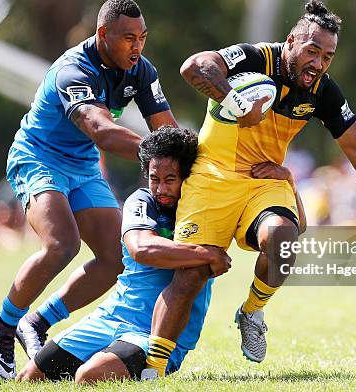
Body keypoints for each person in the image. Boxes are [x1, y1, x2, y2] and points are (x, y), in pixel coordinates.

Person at [141, 0, 356, 377]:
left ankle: (252, 311)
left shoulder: (322, 92)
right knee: (191, 274)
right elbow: (194, 66)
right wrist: (234, 100)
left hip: (263, 181)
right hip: (211, 177)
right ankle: (152, 371)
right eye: (312, 51)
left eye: (327, 56)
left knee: (284, 237)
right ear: (290, 42)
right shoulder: (257, 58)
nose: (318, 63)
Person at [0, 0, 177, 380]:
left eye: (142, 37)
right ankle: (4, 325)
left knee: (115, 257)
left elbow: (167, 129)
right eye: (128, 38)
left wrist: (194, 159)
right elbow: (102, 132)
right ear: (103, 34)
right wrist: (160, 155)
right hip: (38, 157)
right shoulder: (73, 69)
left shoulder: (141, 70)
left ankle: (37, 323)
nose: (137, 46)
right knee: (62, 244)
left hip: (83, 166)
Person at [15, 127, 233, 383]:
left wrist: (283, 177)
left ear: (187, 176)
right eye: (154, 178)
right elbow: (141, 249)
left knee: (89, 376)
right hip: (112, 315)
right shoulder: (141, 200)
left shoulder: (204, 210)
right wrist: (205, 253)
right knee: (30, 377)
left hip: (155, 332)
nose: (161, 188)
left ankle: (154, 369)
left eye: (170, 179)